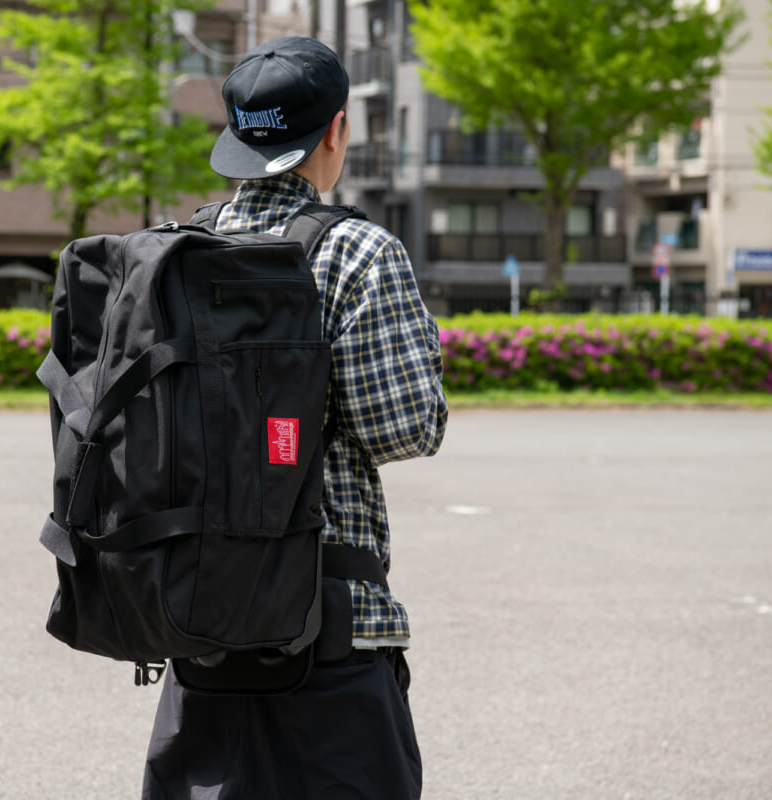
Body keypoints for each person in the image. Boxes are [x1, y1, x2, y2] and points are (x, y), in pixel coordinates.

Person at [142, 36, 449, 800]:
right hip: (330, 631)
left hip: (198, 623)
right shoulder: (357, 252)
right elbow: (405, 426)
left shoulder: (178, 252)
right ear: (337, 130)